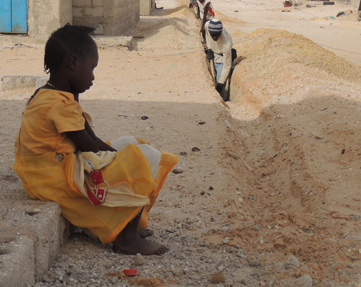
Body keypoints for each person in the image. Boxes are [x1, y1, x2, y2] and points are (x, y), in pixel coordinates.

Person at [13, 24, 178, 255]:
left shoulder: (49, 94)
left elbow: (89, 138)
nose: (92, 76)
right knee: (146, 157)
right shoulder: (60, 104)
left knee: (130, 144)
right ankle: (127, 237)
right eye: (91, 68)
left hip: (49, 170)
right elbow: (89, 144)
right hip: (54, 179)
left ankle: (123, 222)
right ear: (72, 63)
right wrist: (123, 159)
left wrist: (119, 154)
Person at [204, 19, 233, 97]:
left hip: (222, 59)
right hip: (214, 54)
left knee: (221, 86)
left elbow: (227, 66)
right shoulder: (207, 25)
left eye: (217, 35)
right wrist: (210, 49)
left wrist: (220, 84)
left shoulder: (226, 44)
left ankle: (222, 101)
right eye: (212, 35)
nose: (214, 37)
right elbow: (207, 35)